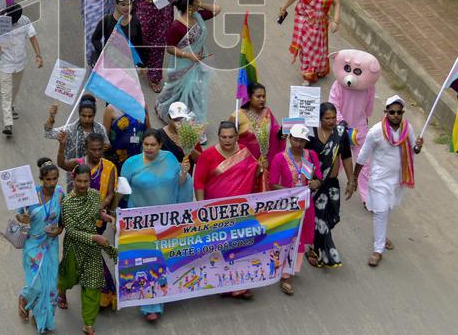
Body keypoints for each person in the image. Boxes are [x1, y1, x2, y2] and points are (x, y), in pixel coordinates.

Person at [120, 129, 192, 323]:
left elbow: (180, 184)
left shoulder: (169, 159)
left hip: (166, 220)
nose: (149, 148)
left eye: (153, 145)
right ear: (141, 144)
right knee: (147, 261)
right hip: (142, 222)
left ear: (160, 145)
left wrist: (184, 172)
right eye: (146, 145)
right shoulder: (130, 164)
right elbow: (123, 191)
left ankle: (160, 296)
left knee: (162, 259)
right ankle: (149, 305)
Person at [349, 95, 423, 267]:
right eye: (392, 112)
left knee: (388, 208)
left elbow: (414, 149)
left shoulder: (407, 128)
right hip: (379, 180)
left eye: (398, 112)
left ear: (402, 113)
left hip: (398, 179)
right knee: (381, 211)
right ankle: (378, 249)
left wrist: (418, 146)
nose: (395, 115)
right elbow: (362, 156)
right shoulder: (375, 131)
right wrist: (354, 178)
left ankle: (380, 237)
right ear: (386, 112)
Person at [193, 121, 260, 299]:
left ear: (237, 137)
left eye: (231, 137)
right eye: (224, 137)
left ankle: (241, 284)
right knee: (221, 248)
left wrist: (263, 168)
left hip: (240, 210)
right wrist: (202, 208)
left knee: (241, 247)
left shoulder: (244, 151)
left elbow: (255, 171)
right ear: (218, 137)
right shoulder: (207, 155)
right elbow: (198, 182)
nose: (227, 140)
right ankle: (223, 284)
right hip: (216, 211)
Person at [57, 164, 116, 335]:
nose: (82, 185)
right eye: (79, 181)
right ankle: (61, 291)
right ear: (73, 180)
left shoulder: (94, 195)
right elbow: (72, 231)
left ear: (90, 181)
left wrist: (106, 217)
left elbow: (96, 213)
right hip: (74, 248)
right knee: (69, 278)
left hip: (92, 251)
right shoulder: (67, 203)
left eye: (86, 181)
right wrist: (95, 238)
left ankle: (88, 324)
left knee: (92, 284)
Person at [268, 125, 323, 295]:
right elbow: (272, 183)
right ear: (290, 138)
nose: (298, 144)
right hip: (287, 206)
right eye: (296, 139)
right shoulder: (280, 158)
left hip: (305, 205)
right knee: (286, 238)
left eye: (302, 140)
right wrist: (291, 193)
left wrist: (316, 183)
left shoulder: (311, 155)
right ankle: (283, 270)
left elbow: (318, 176)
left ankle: (289, 272)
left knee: (299, 239)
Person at [155, 0, 220, 125]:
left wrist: (199, 4)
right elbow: (170, 48)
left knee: (195, 92)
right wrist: (189, 55)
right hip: (182, 65)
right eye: (197, 1)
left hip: (197, 63)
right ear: (190, 7)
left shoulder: (198, 17)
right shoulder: (177, 26)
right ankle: (165, 109)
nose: (199, 2)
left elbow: (217, 9)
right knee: (174, 90)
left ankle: (191, 120)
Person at [16, 158, 64, 333]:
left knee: (50, 287)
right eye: (48, 179)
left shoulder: (60, 194)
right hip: (32, 245)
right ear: (41, 179)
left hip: (50, 245)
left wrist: (58, 230)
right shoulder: (30, 196)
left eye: (55, 179)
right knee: (36, 284)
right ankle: (24, 297)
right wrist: (22, 219)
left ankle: (40, 316)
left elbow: (62, 220)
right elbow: (19, 217)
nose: (52, 183)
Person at [306, 102, 354, 269]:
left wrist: (351, 180)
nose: (332, 121)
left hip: (332, 184)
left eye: (334, 118)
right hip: (316, 184)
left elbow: (346, 157)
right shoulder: (311, 134)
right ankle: (315, 250)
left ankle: (318, 245)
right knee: (319, 219)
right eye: (327, 118)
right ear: (319, 119)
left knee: (331, 217)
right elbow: (303, 157)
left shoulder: (340, 134)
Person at [129, 0, 182, 93]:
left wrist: (179, 10)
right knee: (140, 42)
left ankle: (154, 77)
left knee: (158, 47)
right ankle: (140, 65)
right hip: (143, 15)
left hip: (163, 17)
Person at [279, 0, 340, 84]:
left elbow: (337, 4)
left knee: (318, 48)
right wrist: (284, 7)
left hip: (319, 24)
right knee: (306, 48)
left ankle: (318, 68)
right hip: (303, 21)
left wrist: (336, 21)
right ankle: (308, 73)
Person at [0, 4, 43, 136]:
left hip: (20, 63)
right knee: (6, 93)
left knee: (15, 88)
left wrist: (38, 55)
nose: (13, 21)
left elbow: (32, 37)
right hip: (5, 65)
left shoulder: (25, 21)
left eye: (15, 19)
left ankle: (11, 106)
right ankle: (8, 124)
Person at [229, 82, 283, 191]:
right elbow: (228, 138)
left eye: (264, 96)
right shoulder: (237, 115)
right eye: (258, 96)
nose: (262, 99)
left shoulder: (267, 112)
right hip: (244, 165)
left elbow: (275, 135)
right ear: (249, 97)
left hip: (264, 163)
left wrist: (282, 135)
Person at [90, 0, 144, 69]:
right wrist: (104, 52)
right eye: (123, 4)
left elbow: (139, 44)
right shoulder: (107, 20)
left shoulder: (135, 22)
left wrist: (142, 64)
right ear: (116, 3)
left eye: (129, 4)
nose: (127, 8)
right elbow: (95, 39)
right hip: (109, 64)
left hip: (127, 65)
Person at [44, 97, 109, 164]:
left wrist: (106, 146)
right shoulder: (69, 129)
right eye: (84, 116)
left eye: (90, 116)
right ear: (79, 114)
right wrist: (51, 117)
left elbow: (107, 144)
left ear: (94, 115)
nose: (86, 119)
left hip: (96, 171)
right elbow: (48, 133)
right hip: (74, 171)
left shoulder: (100, 129)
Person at [157, 102, 202, 170]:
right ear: (169, 117)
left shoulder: (191, 135)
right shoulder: (159, 135)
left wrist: (190, 149)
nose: (179, 122)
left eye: (182, 119)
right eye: (176, 120)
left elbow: (201, 160)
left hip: (185, 177)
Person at [102, 103, 145, 171]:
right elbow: (105, 136)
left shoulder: (141, 106)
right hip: (117, 157)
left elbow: (148, 130)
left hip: (136, 155)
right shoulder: (111, 109)